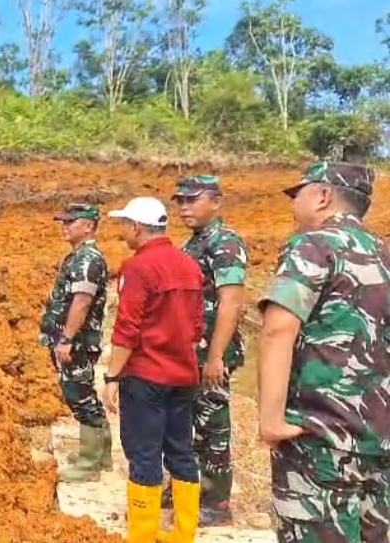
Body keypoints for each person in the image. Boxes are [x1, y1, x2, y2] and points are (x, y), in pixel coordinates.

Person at [256, 161, 390, 543]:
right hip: (377, 443)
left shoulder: (313, 246)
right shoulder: (384, 255)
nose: (293, 203)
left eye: (297, 193)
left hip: (319, 440)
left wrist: (271, 421)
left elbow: (278, 330)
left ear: (323, 196)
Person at [103, 197, 205, 543]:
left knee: (144, 454)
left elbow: (127, 328)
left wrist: (112, 376)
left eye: (124, 225)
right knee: (182, 451)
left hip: (146, 377)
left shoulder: (138, 268)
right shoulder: (189, 265)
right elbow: (196, 327)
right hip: (183, 375)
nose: (122, 232)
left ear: (136, 227)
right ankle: (182, 534)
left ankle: (143, 535)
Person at [161, 175, 249, 525]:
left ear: (216, 201)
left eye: (192, 199)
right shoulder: (195, 243)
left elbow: (231, 303)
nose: (184, 207)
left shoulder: (225, 243)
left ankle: (216, 502)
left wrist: (215, 357)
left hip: (211, 354)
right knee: (187, 422)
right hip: (189, 353)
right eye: (180, 201)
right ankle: (186, 487)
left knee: (212, 428)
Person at [39, 203, 111, 483]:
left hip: (78, 342)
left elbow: (81, 302)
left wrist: (67, 338)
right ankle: (100, 453)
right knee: (82, 393)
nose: (65, 226)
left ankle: (89, 463)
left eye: (71, 222)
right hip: (74, 341)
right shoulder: (78, 257)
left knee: (78, 395)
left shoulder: (87, 260)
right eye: (64, 221)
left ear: (89, 226)